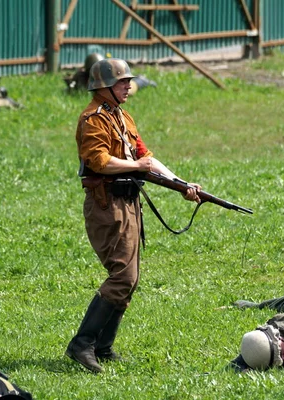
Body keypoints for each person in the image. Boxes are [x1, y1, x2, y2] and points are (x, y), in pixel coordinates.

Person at [65, 58, 201, 374]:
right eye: (122, 81)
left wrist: (180, 184)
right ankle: (81, 344)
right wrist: (136, 167)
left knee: (131, 279)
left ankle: (103, 346)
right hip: (106, 206)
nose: (129, 85)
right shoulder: (92, 120)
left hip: (127, 203)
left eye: (128, 81)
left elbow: (146, 158)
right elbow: (99, 161)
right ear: (104, 87)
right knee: (122, 276)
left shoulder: (122, 117)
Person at [64, 53, 157, 95]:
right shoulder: (82, 75)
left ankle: (142, 80)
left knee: (129, 90)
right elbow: (73, 86)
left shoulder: (107, 76)